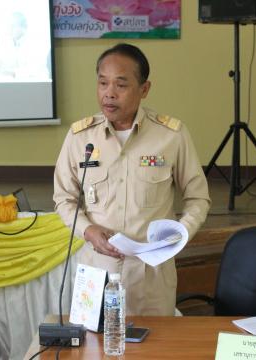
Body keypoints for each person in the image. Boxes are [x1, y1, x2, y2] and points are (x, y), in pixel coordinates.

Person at [53, 43, 210, 316]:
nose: (109, 94)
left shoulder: (171, 135)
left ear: (144, 89)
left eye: (121, 85)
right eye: (103, 83)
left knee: (154, 350)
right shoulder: (80, 137)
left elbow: (198, 197)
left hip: (151, 273)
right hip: (97, 269)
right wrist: (89, 231)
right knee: (94, 351)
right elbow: (63, 199)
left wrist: (179, 234)